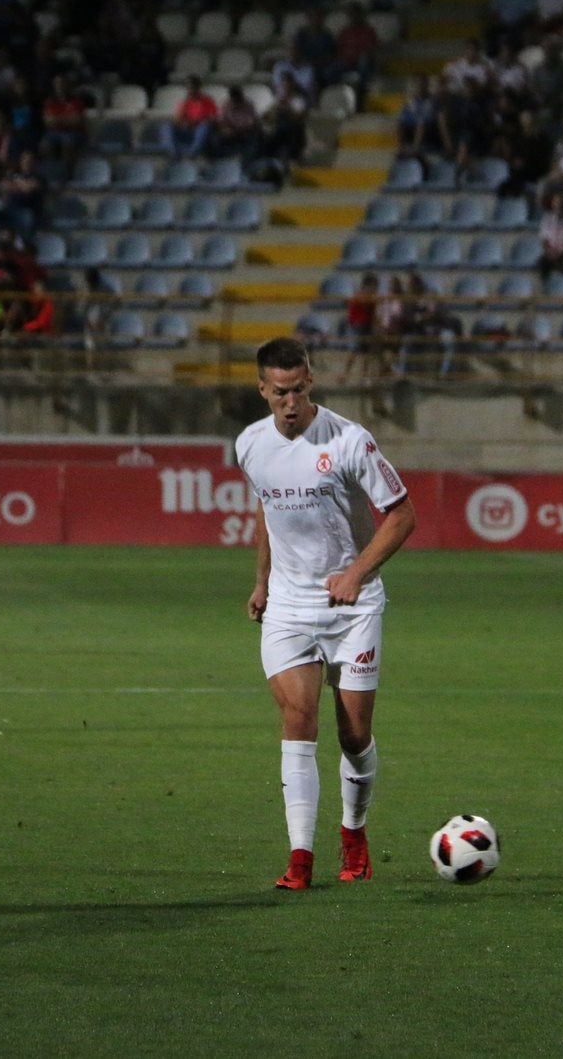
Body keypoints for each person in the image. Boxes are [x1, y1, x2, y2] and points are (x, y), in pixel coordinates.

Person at [236, 338, 418, 891]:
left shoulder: (349, 442)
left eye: (299, 389)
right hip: (289, 607)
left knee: (353, 734)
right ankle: (300, 857)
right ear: (263, 390)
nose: (290, 402)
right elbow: (267, 509)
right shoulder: (249, 445)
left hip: (353, 607)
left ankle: (354, 833)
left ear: (310, 381)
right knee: (298, 720)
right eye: (279, 393)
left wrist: (356, 573)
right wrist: (263, 582)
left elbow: (402, 515)